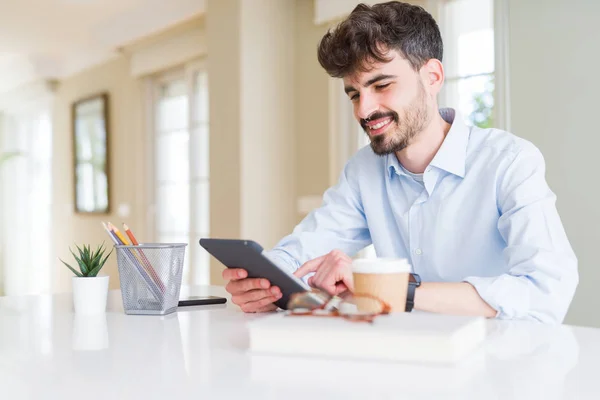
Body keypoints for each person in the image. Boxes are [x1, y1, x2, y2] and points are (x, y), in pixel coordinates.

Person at [222, 1, 578, 323]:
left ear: (432, 77)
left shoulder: (509, 161)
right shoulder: (364, 171)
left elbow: (545, 290)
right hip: (406, 360)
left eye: (382, 85)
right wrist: (264, 284)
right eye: (354, 94)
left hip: (499, 367)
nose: (364, 109)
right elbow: (302, 251)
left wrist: (390, 290)